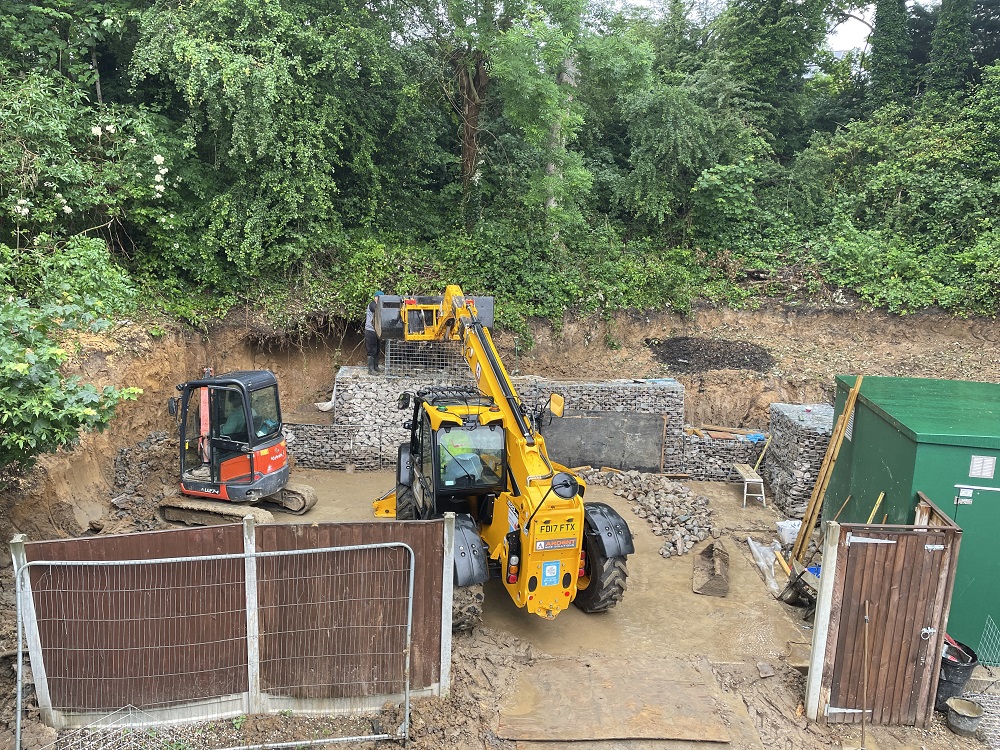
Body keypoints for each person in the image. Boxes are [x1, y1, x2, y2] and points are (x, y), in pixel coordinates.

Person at [365, 290, 385, 375]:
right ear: (375, 298)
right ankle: (371, 369)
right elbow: (375, 309)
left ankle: (376, 366)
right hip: (370, 330)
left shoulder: (379, 305)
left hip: (377, 330)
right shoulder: (372, 304)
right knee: (371, 350)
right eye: (379, 298)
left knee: (377, 349)